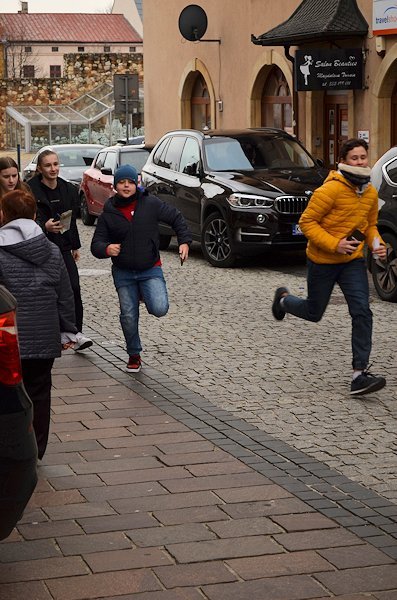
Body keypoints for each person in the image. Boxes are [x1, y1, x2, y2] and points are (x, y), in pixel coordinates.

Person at [271, 138, 387, 396]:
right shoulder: (330, 191)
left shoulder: (369, 192)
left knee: (362, 312)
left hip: (352, 262)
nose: (360, 162)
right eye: (354, 158)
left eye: (363, 157)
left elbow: (370, 226)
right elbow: (307, 223)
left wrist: (377, 244)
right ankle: (283, 300)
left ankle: (359, 374)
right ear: (344, 162)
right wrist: (335, 244)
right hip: (323, 261)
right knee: (314, 312)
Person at [91, 164, 192, 372]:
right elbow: (96, 244)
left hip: (149, 268)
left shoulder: (150, 203)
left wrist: (184, 241)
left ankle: (144, 293)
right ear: (115, 185)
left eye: (130, 182)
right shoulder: (109, 211)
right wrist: (106, 248)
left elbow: (176, 217)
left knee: (159, 308)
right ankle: (134, 354)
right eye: (121, 182)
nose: (126, 186)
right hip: (124, 272)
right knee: (128, 315)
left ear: (136, 183)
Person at [0, 190, 78, 459]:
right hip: (44, 337)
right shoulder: (52, 250)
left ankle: (11, 449)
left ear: (4, 215)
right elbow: (65, 294)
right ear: (34, 215)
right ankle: (37, 450)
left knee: (8, 396)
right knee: (40, 393)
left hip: (10, 338)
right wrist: (68, 330)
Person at [27, 149, 92, 351]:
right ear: (39, 168)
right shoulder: (30, 190)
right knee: (48, 293)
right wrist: (43, 227)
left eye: (56, 164)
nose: (53, 169)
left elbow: (71, 221)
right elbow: (26, 218)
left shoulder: (68, 189)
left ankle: (76, 333)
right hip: (40, 249)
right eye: (48, 165)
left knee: (74, 288)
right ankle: (52, 334)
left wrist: (75, 246)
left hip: (63, 247)